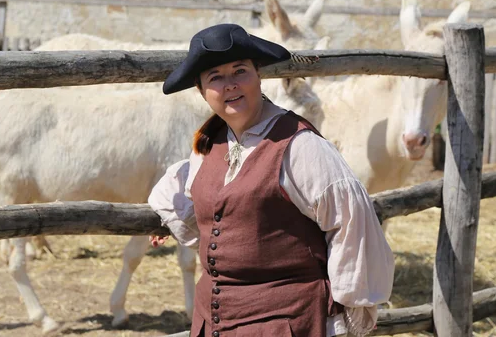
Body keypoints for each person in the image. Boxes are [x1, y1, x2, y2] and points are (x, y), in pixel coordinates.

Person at [148, 23, 394, 337]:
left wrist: (350, 314)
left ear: (258, 75)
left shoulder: (300, 146)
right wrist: (171, 220)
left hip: (286, 322)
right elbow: (186, 191)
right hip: (212, 323)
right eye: (216, 77)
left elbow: (352, 223)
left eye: (240, 71)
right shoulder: (208, 145)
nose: (230, 85)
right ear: (201, 90)